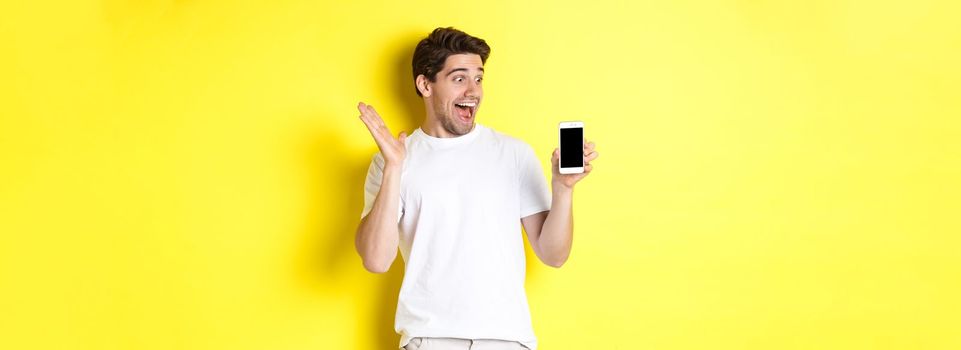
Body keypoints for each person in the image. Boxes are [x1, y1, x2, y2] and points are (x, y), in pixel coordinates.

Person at [355, 27, 598, 350]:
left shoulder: (513, 154)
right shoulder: (392, 160)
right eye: (459, 79)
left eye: (479, 79)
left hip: (507, 340)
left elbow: (554, 254)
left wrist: (563, 189)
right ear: (425, 84)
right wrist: (395, 169)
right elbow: (376, 260)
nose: (473, 91)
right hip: (430, 340)